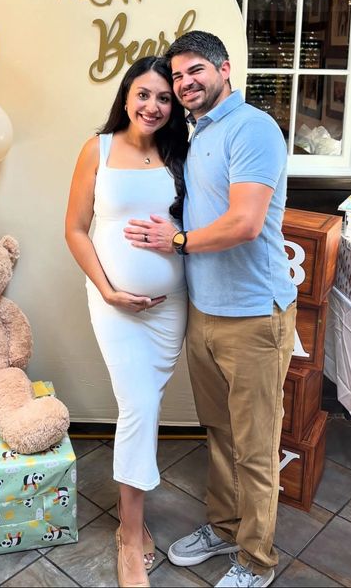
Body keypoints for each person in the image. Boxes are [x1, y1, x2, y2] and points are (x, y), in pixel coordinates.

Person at [124, 31, 297, 588]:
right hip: (206, 312)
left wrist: (175, 242)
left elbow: (245, 223)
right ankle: (224, 529)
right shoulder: (198, 133)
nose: (184, 83)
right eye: (177, 76)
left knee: (256, 445)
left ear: (225, 69)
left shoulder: (253, 129)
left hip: (253, 317)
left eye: (195, 70)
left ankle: (256, 560)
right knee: (220, 434)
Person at [65, 56, 189, 588]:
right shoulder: (99, 148)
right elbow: (74, 229)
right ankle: (130, 538)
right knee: (138, 406)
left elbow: (198, 224)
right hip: (113, 305)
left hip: (171, 308)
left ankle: (132, 524)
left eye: (164, 98)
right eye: (144, 94)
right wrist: (109, 290)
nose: (153, 106)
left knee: (147, 406)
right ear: (126, 95)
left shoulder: (181, 154)